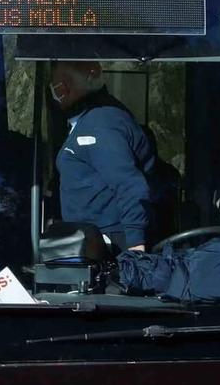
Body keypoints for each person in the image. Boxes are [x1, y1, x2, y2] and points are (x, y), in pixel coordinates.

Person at [49, 59, 156, 251]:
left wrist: (136, 250)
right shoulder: (89, 120)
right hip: (88, 241)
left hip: (109, 244)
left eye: (60, 84)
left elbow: (129, 185)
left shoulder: (100, 123)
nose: (58, 92)